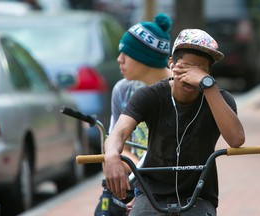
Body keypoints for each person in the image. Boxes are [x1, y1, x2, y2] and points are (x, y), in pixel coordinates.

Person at [103, 28, 245, 216]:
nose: (190, 76)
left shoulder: (220, 99)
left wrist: (207, 86)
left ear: (209, 74)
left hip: (198, 196)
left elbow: (236, 139)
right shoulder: (149, 95)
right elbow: (118, 132)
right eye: (184, 67)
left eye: (200, 70)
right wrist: (112, 155)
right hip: (151, 193)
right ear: (171, 63)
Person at [94, 13, 172, 215]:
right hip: (134, 182)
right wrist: (137, 169)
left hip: (170, 187)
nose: (119, 59)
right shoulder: (122, 90)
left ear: (145, 57)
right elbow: (118, 144)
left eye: (126, 53)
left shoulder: (180, 91)